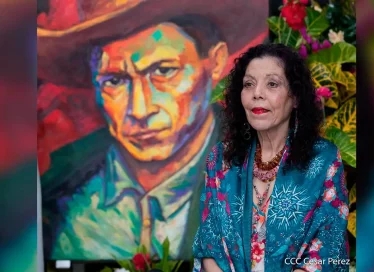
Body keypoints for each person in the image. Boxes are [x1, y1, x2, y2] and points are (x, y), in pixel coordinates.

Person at [37, 0, 269, 260]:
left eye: (163, 71)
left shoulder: (263, 170)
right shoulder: (57, 186)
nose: (139, 109)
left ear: (215, 63)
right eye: (114, 80)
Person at [193, 44, 349, 272]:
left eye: (272, 84)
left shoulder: (323, 160)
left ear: (295, 97)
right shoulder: (220, 158)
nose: (257, 93)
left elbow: (327, 249)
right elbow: (209, 244)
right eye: (249, 84)